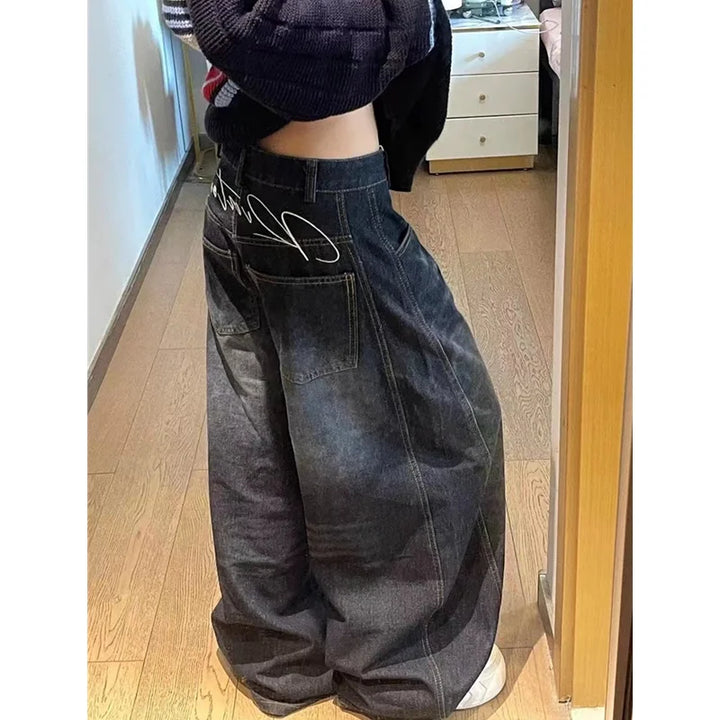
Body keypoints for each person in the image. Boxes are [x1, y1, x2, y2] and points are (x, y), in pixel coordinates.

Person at [163, 2, 506, 718]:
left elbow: (200, 21)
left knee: (260, 434)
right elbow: (311, 49)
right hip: (326, 199)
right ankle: (406, 665)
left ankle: (278, 650)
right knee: (439, 421)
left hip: (241, 192)